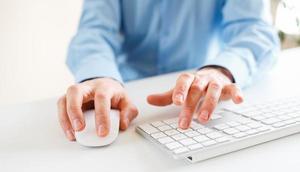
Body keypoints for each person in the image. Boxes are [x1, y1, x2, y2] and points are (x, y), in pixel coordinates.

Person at [57, 0, 280, 141]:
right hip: (127, 97)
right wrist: (99, 76)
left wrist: (221, 70)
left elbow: (254, 30)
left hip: (202, 91)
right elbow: (93, 32)